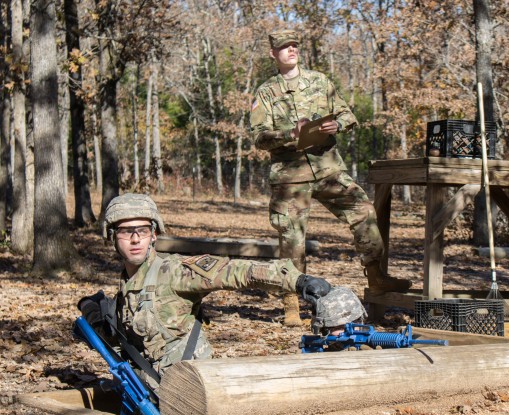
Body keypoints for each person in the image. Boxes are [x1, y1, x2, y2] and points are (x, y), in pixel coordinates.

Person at [76, 193, 344, 389]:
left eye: (142, 230)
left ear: (154, 234)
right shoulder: (128, 286)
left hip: (193, 387)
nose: (135, 239)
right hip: (152, 389)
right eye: (125, 231)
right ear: (112, 237)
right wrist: (91, 310)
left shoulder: (175, 272)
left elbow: (239, 272)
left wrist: (299, 281)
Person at [250, 29, 410, 326]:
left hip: (328, 168)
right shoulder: (266, 92)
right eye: (285, 47)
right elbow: (259, 138)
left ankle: (376, 277)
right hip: (291, 177)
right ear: (274, 54)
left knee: (363, 211)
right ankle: (291, 304)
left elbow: (348, 115)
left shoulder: (319, 81)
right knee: (292, 241)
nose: (291, 50)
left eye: (295, 45)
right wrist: (289, 135)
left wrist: (337, 124)